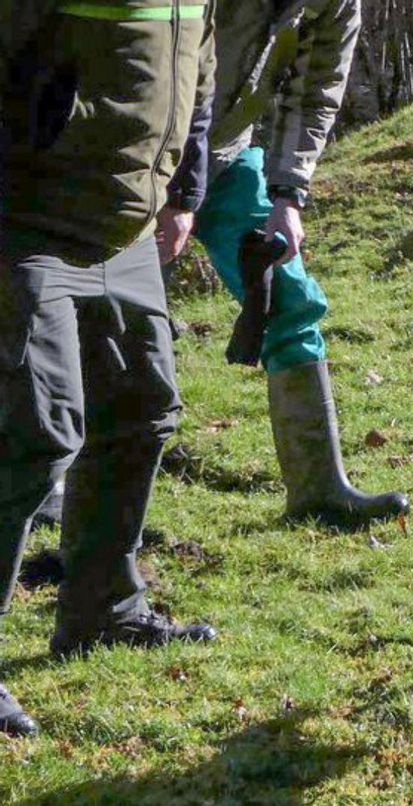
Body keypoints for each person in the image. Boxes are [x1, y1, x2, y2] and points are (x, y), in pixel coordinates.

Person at [0, 2, 220, 737]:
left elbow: (200, 57)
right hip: (29, 217)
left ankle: (103, 608)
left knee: (141, 409)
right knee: (34, 434)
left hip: (126, 221)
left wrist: (185, 188)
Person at [157, 0, 410, 528]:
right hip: (133, 157)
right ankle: (53, 495)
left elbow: (314, 91)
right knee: (97, 323)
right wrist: (170, 188)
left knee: (288, 297)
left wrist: (287, 195)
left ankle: (319, 492)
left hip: (224, 158)